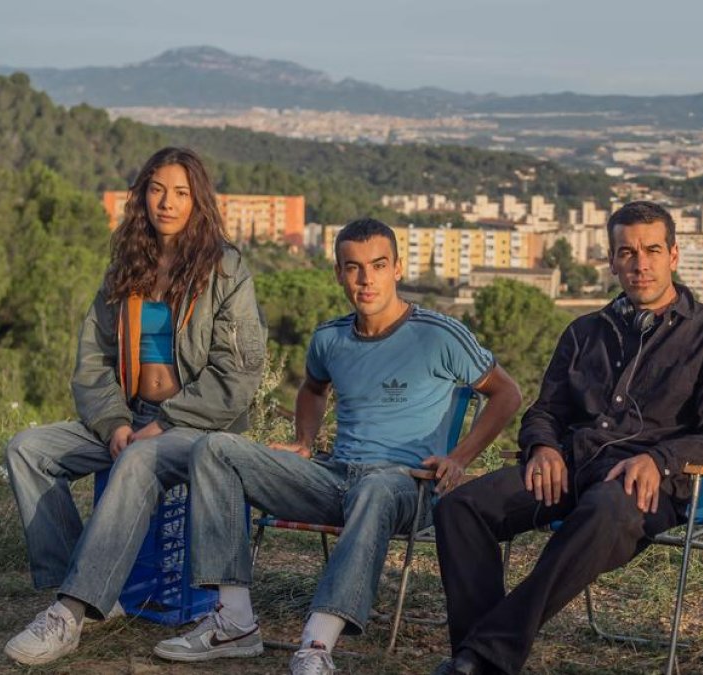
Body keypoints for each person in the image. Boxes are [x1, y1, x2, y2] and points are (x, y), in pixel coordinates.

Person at [152, 218, 522, 674]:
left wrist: (459, 457)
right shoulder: (330, 338)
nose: (365, 279)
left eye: (378, 265)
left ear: (397, 269)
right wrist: (305, 441)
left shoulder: (439, 333)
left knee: (376, 488)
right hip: (334, 478)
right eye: (353, 268)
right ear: (338, 274)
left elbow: (508, 393)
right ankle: (234, 622)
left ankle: (316, 646)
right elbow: (312, 388)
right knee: (214, 450)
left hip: (409, 485)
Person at [431, 201, 703, 675]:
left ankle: (484, 655)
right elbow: (545, 410)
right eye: (627, 252)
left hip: (645, 487)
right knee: (460, 508)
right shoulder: (585, 331)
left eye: (651, 250)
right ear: (611, 260)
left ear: (673, 255)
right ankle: (477, 656)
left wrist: (661, 459)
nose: (639, 263)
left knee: (604, 507)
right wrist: (542, 447)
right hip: (569, 467)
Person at [3, 147, 268, 665]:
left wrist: (165, 422)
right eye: (157, 189)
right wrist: (113, 421)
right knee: (27, 448)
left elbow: (237, 376)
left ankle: (70, 613)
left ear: (199, 201)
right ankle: (84, 585)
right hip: (128, 417)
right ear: (142, 194)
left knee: (141, 459)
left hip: (197, 429)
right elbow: (93, 359)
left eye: (181, 192)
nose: (167, 202)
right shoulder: (127, 262)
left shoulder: (226, 267)